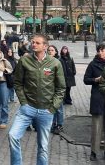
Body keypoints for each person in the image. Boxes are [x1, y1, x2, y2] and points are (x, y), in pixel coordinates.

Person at [8, 34, 65, 165]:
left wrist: (52, 108)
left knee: (43, 146)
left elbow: (61, 88)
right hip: (27, 109)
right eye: (33, 42)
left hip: (46, 111)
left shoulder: (55, 63)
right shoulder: (24, 61)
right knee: (13, 135)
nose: (33, 44)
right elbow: (17, 83)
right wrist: (23, 102)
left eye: (37, 43)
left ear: (45, 46)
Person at [83, 44, 105, 161]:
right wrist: (95, 80)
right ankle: (94, 151)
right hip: (97, 99)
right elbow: (86, 79)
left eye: (102, 50)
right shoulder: (93, 64)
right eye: (99, 51)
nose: (100, 52)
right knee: (96, 127)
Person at [47, 45, 64, 133]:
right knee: (51, 107)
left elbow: (62, 77)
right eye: (49, 50)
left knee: (59, 108)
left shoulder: (58, 62)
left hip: (58, 89)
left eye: (52, 50)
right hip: (49, 89)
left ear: (56, 52)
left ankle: (60, 125)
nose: (50, 52)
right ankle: (52, 124)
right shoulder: (46, 62)